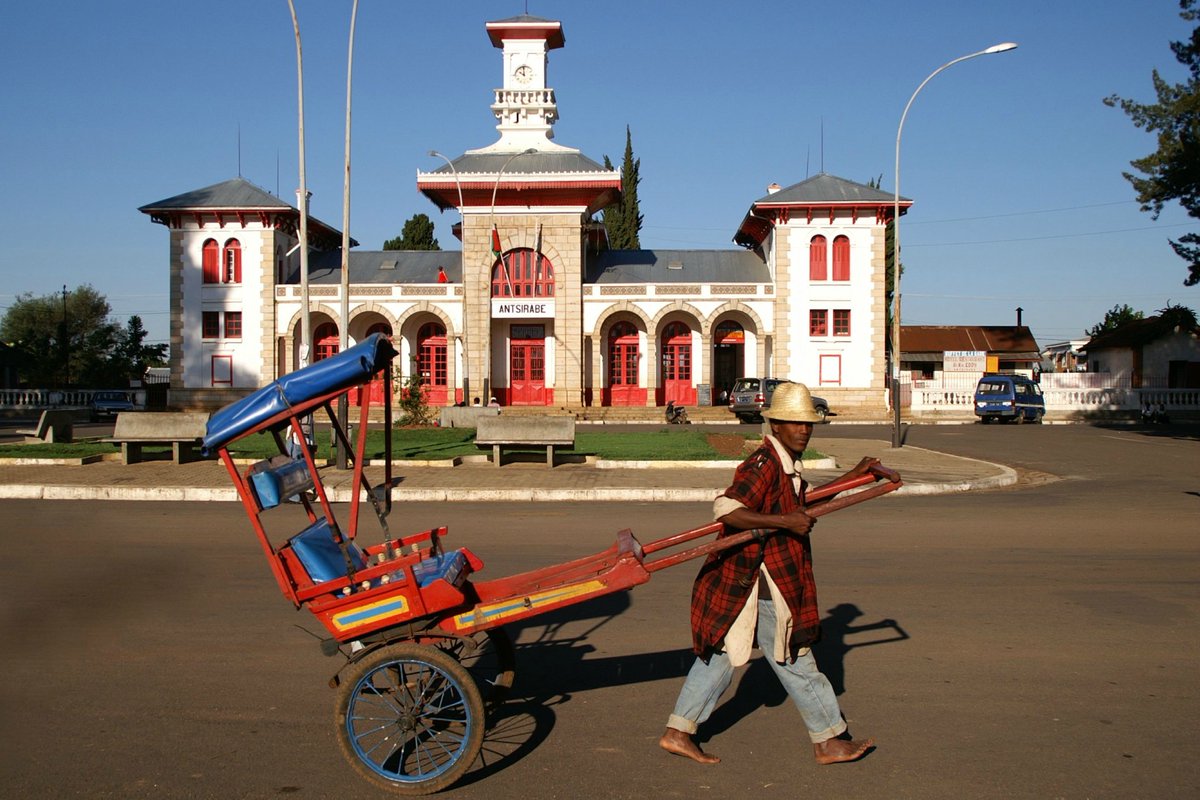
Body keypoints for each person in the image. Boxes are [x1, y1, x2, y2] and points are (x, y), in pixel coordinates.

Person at [659, 381, 874, 767]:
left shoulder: (787, 465)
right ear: (775, 425)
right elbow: (727, 508)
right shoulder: (764, 464)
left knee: (723, 656)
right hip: (759, 581)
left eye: (808, 423)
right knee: (793, 655)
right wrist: (785, 522)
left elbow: (804, 504)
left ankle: (678, 731)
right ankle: (828, 739)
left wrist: (855, 476)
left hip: (747, 581)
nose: (803, 430)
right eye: (794, 423)